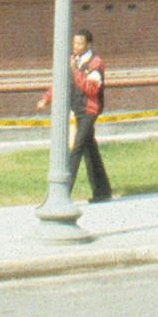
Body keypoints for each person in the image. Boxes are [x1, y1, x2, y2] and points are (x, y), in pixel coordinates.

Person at [40, 27, 111, 203]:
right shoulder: (73, 61)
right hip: (77, 109)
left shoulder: (96, 63)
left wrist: (76, 72)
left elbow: (92, 89)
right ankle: (103, 191)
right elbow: (60, 82)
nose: (76, 46)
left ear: (88, 44)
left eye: (80, 43)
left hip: (89, 111)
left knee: (77, 149)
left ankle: (61, 195)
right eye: (74, 43)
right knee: (90, 151)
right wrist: (45, 99)